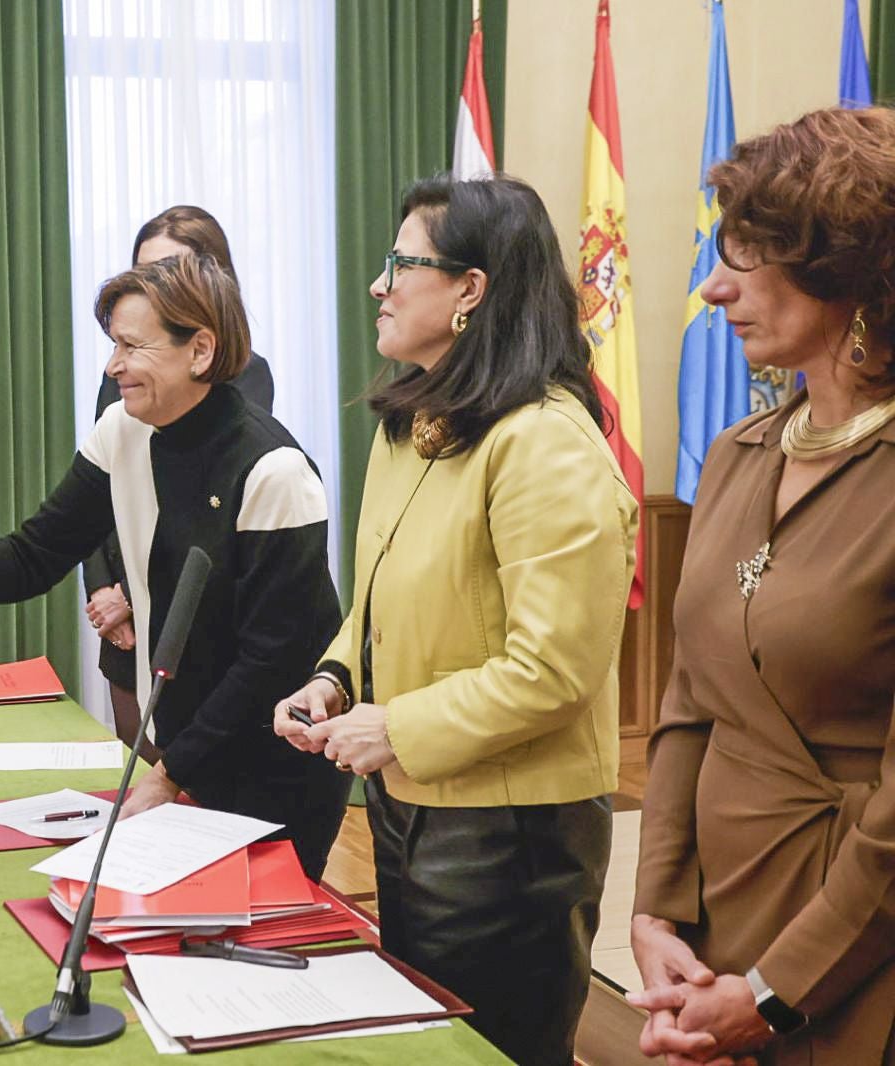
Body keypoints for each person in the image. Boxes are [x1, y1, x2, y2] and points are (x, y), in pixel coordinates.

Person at [273, 174, 638, 1066]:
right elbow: (377, 601)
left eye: (402, 262)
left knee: (491, 1051)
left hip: (510, 834)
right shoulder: (416, 423)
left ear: (471, 289)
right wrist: (334, 680)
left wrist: (395, 724)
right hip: (411, 801)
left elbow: (553, 670)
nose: (379, 284)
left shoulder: (543, 439)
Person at [0, 252, 349, 879]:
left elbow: (269, 662)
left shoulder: (274, 469)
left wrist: (171, 774)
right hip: (186, 749)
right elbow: (35, 555)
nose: (111, 366)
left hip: (272, 765)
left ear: (199, 350)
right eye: (111, 344)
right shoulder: (123, 429)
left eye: (130, 346)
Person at [629, 107, 895, 1066]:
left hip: (858, 947)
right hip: (713, 936)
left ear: (845, 272)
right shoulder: (740, 456)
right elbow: (689, 700)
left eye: (743, 260)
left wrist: (778, 993)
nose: (712, 288)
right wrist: (657, 913)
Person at [84, 206, 273, 761]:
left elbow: (202, 512)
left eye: (167, 272)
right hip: (122, 615)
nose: (150, 288)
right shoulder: (121, 373)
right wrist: (102, 589)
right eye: (142, 273)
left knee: (185, 790)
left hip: (182, 613)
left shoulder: (245, 378)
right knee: (135, 780)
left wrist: (141, 595)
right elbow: (100, 482)